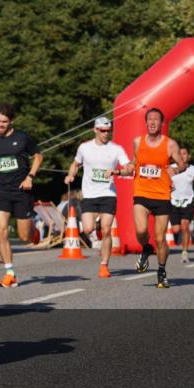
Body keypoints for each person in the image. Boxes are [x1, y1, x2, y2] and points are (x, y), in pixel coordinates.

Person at [118, 107, 183, 289]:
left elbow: (182, 163)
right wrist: (123, 169)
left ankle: (161, 271)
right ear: (146, 122)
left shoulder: (170, 144)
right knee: (141, 230)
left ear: (162, 123)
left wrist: (176, 169)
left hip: (162, 196)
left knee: (160, 238)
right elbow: (133, 163)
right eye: (149, 119)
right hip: (142, 193)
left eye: (156, 120)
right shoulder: (138, 142)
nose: (153, 122)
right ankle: (146, 248)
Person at [0, 103, 43, 288]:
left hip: (21, 191)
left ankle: (34, 231)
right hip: (1, 191)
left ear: (11, 121)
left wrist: (30, 177)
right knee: (1, 230)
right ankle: (9, 272)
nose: (0, 125)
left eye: (4, 122)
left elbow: (38, 156)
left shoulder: (22, 138)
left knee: (24, 236)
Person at [64, 116, 128, 278]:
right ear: (95, 130)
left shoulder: (116, 149)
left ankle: (104, 265)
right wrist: (71, 175)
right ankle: (96, 227)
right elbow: (75, 164)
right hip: (90, 195)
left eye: (108, 131)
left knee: (107, 230)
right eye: (103, 131)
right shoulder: (84, 148)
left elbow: (128, 168)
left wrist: (117, 171)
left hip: (108, 193)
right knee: (87, 229)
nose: (106, 134)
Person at [169, 146, 194, 263]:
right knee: (175, 229)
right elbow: (164, 183)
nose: (182, 156)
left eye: (184, 154)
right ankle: (181, 241)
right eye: (180, 154)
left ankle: (184, 252)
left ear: (189, 156)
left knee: (185, 226)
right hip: (174, 201)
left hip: (188, 200)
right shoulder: (171, 168)